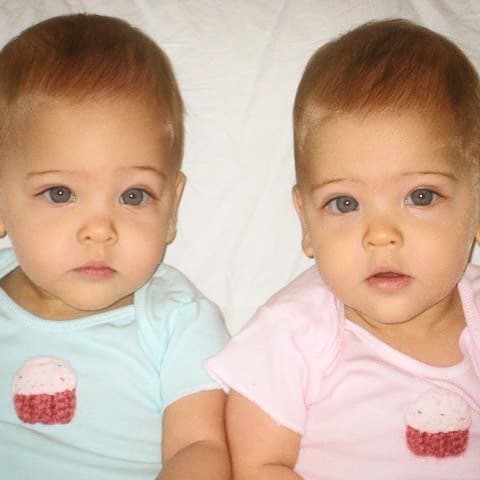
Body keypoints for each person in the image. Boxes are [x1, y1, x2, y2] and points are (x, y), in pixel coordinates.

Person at [207, 19, 480, 479]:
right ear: (305, 221)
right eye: (345, 203)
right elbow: (257, 466)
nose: (381, 234)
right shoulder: (293, 333)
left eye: (421, 196)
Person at [0, 13, 230, 480]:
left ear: (172, 208)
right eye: (59, 193)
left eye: (134, 196)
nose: (100, 230)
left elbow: (200, 446)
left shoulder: (177, 320)